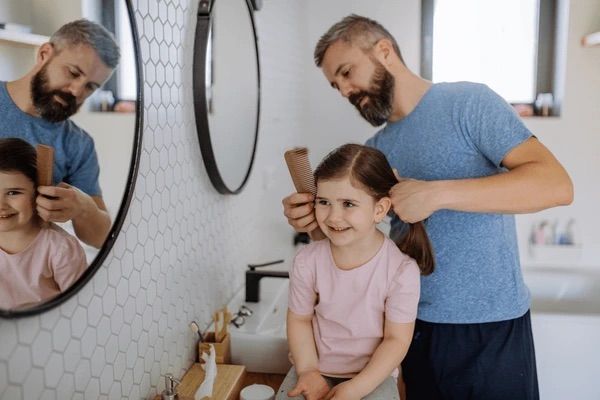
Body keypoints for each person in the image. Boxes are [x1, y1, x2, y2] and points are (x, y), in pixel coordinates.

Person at [282, 15, 574, 399]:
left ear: (384, 50)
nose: (346, 90)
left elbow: (556, 185)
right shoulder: (377, 149)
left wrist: (437, 194)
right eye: (337, 85)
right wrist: (312, 219)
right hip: (412, 331)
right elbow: (358, 245)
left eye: (347, 72)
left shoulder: (468, 103)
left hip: (490, 329)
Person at [278, 144, 434, 400]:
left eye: (348, 204)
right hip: (315, 369)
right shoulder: (307, 261)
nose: (333, 217)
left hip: (372, 377)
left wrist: (355, 389)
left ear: (380, 210)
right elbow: (300, 320)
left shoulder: (400, 271)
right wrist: (307, 370)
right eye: (324, 202)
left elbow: (396, 340)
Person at [0, 19, 121, 249]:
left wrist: (82, 207)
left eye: (90, 87)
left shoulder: (78, 144)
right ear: (45, 54)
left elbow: (102, 237)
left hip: (28, 275)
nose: (76, 91)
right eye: (73, 73)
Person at [0, 138, 87, 310]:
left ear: (38, 192)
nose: (1, 205)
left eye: (13, 192)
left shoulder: (60, 249)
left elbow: (81, 307)